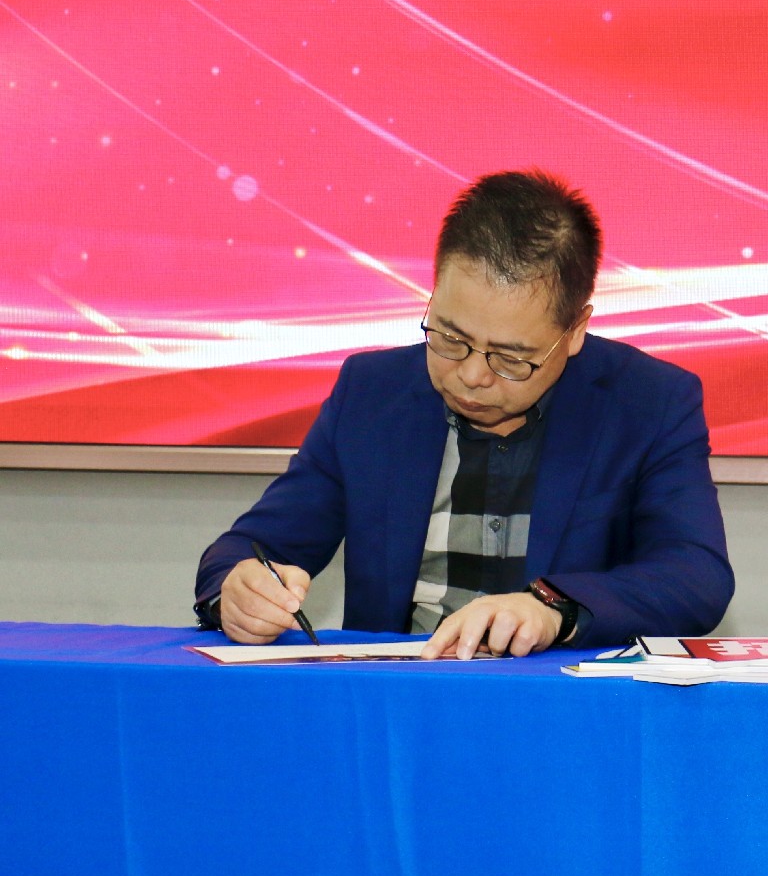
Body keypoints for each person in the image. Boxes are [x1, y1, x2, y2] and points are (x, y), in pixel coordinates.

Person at [196, 169, 733, 657]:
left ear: (574, 332)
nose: (472, 375)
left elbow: (695, 575)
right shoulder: (372, 393)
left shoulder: (649, 402)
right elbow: (249, 548)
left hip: (562, 705)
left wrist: (552, 609)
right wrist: (239, 590)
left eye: (511, 358)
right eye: (451, 337)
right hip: (402, 697)